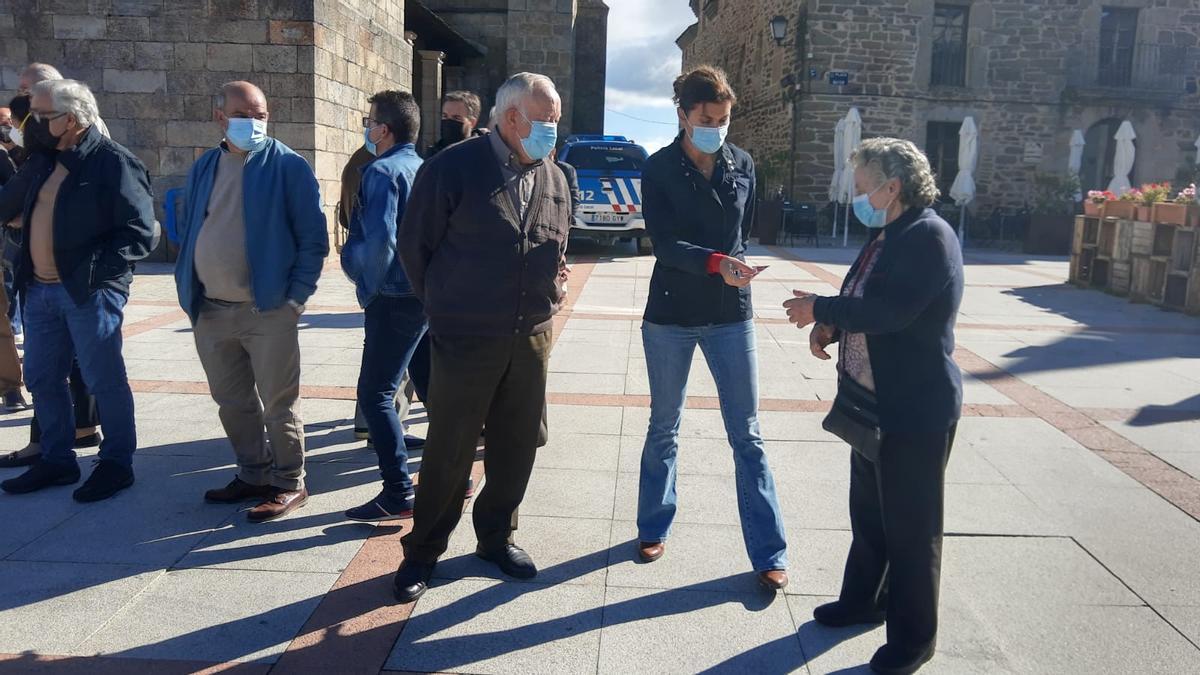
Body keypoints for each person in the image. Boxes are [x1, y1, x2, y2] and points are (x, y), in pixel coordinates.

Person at [783, 137, 964, 675]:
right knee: (870, 514)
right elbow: (866, 300)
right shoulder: (890, 232)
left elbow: (892, 312)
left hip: (915, 409)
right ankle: (862, 601)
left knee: (912, 529)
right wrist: (832, 325)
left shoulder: (928, 235)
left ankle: (912, 642)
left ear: (893, 186)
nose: (857, 196)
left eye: (863, 187)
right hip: (874, 402)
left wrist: (821, 305)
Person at [392, 72, 571, 603]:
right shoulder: (452, 168)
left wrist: (553, 280)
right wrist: (446, 306)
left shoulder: (558, 177)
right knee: (449, 449)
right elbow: (414, 249)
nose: (552, 131)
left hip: (531, 336)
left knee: (518, 445)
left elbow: (558, 244)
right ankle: (423, 550)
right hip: (465, 336)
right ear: (511, 117)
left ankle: (497, 538)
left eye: (556, 121)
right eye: (545, 121)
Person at [633, 65, 789, 591]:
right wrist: (717, 262)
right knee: (664, 425)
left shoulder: (742, 162)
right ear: (683, 114)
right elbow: (665, 242)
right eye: (706, 119)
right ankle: (653, 524)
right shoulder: (658, 169)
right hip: (672, 315)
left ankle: (770, 549)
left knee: (747, 432)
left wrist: (734, 266)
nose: (717, 128)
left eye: (723, 120)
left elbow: (742, 233)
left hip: (729, 314)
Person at [175, 81, 328, 523]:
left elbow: (313, 239)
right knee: (232, 401)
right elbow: (194, 227)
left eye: (260, 114)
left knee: (279, 404)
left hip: (268, 310)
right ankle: (253, 473)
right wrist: (191, 288)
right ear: (219, 116)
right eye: (244, 114)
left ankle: (288, 482)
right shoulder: (206, 165)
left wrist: (295, 298)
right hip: (211, 309)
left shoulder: (287, 165)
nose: (254, 122)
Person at [0, 80, 154, 502]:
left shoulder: (113, 163)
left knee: (105, 380)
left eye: (43, 117)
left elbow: (140, 233)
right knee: (43, 378)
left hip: (88, 293)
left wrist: (98, 276)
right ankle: (56, 459)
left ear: (71, 120)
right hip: (39, 291)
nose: (32, 125)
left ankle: (116, 464)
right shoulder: (43, 161)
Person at [340, 90, 428, 522]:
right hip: (425, 296)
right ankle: (455, 474)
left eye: (369, 120)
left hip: (392, 296)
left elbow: (380, 243)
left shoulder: (382, 171)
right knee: (432, 390)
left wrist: (366, 286)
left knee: (374, 394)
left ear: (384, 128)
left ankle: (398, 491)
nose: (366, 127)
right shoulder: (422, 167)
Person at [0, 93, 100, 468]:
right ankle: (60, 449)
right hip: (40, 277)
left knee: (80, 370)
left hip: (72, 281)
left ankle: (107, 457)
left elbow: (132, 229)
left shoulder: (87, 157)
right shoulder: (44, 157)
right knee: (52, 371)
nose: (24, 126)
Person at [425, 90, 485, 158]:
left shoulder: (481, 155)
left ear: (472, 122)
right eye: (445, 116)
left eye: (456, 118)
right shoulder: (433, 156)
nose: (448, 122)